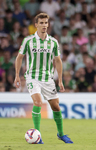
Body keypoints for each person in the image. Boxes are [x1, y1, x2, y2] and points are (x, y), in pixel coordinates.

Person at [14, 13, 73, 144]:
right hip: (32, 77)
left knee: (56, 107)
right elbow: (19, 58)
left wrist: (60, 80)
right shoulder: (28, 40)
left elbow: (58, 61)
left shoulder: (53, 42)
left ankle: (61, 134)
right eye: (41, 23)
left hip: (47, 78)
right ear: (36, 25)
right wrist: (17, 75)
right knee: (38, 102)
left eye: (46, 23)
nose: (44, 25)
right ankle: (37, 135)